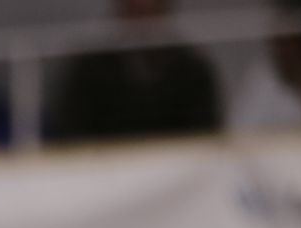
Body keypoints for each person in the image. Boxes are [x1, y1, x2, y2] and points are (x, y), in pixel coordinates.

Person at [49, 0, 222, 145]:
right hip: (104, 168)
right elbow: (70, 133)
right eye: (135, 11)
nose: (142, 24)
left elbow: (206, 134)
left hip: (177, 167)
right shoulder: (89, 68)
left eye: (149, 12)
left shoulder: (192, 70)